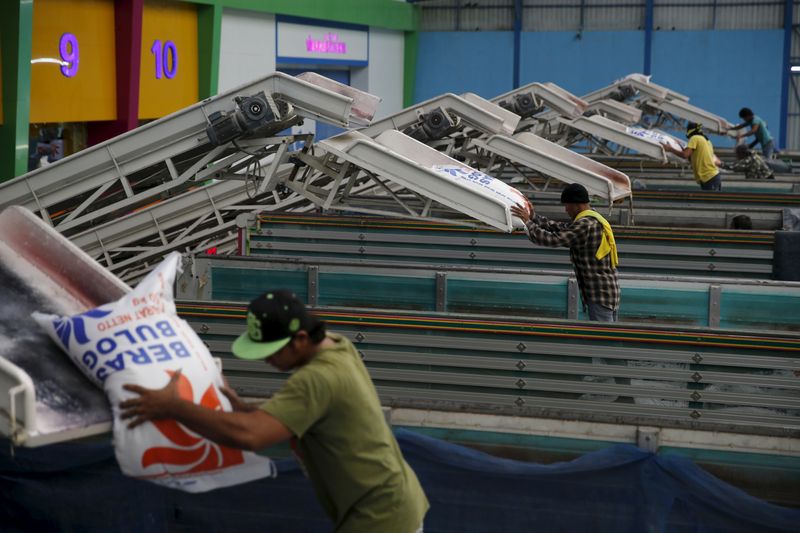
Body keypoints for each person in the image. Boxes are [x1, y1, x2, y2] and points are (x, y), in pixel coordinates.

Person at [120, 290, 429, 533]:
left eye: (271, 352)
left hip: (381, 517)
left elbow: (251, 435)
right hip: (393, 501)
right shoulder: (337, 346)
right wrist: (244, 408)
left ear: (301, 339)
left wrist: (173, 406)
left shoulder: (316, 379)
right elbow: (302, 410)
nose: (266, 361)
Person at [510, 183, 620, 322]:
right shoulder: (593, 218)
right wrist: (533, 216)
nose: (566, 209)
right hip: (607, 292)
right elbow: (559, 227)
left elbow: (552, 239)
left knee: (603, 339)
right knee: (608, 337)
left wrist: (528, 223)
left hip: (600, 294)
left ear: (576, 205)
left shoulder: (585, 224)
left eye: (567, 205)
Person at [662, 122, 721, 191]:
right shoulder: (707, 141)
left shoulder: (694, 138)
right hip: (713, 176)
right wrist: (680, 145)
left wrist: (670, 149)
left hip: (708, 177)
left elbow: (685, 155)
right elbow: (692, 157)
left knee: (710, 201)